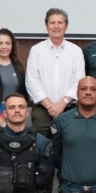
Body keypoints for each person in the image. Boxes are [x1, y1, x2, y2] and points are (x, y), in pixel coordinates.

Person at [26, 8, 85, 138]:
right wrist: (50, 106)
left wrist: (62, 103)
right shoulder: (36, 50)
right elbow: (32, 82)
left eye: (60, 22)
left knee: (68, 149)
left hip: (69, 109)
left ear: (66, 26)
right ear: (46, 26)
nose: (56, 26)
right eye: (52, 23)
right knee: (42, 149)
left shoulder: (76, 51)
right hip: (42, 110)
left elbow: (79, 82)